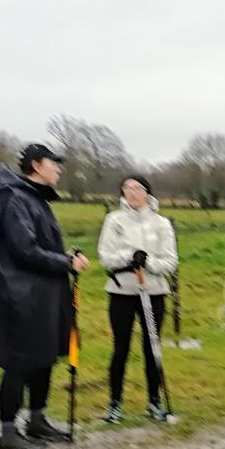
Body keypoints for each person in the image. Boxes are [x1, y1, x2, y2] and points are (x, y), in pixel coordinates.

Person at [0, 144, 89, 449]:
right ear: (36, 165)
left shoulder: (34, 197)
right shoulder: (14, 197)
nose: (59, 169)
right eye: (54, 163)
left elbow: (39, 246)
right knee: (20, 362)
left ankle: (37, 419)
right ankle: (7, 433)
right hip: (20, 296)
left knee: (44, 357)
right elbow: (24, 249)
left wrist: (65, 257)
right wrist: (65, 263)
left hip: (43, 295)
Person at [97, 174, 178, 423]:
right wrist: (129, 257)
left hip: (153, 291)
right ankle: (115, 404)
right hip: (122, 291)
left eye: (137, 188)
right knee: (120, 347)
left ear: (147, 193)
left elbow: (171, 261)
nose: (131, 193)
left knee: (151, 347)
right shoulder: (114, 220)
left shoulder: (161, 223)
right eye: (126, 188)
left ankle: (154, 401)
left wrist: (149, 261)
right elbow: (105, 256)